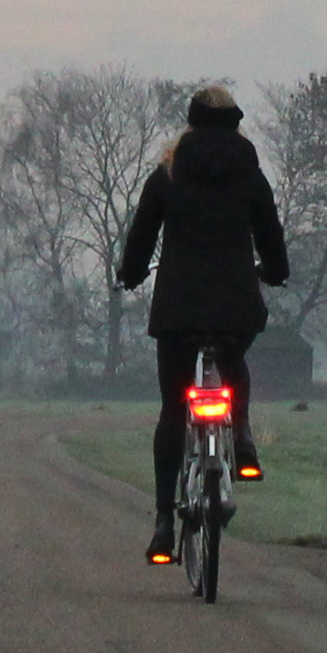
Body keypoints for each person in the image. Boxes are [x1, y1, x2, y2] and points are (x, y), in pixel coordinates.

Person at [116, 86, 289, 562]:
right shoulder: (251, 177)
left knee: (174, 409)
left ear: (190, 122)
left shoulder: (168, 174)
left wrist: (129, 276)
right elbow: (271, 240)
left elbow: (141, 237)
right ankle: (242, 437)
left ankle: (162, 523)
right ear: (236, 124)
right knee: (233, 362)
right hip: (235, 306)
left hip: (177, 309)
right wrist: (273, 273)